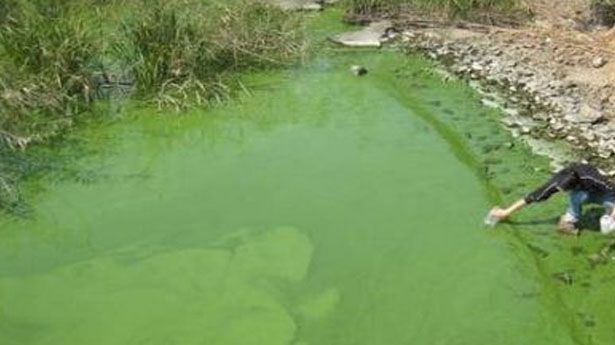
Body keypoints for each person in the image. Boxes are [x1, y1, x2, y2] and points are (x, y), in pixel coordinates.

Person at [489, 163, 615, 235]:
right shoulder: (558, 181)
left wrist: (613, 214)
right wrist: (506, 212)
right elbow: (533, 196)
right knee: (576, 196)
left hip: (605, 192)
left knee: (609, 207)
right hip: (582, 192)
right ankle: (571, 217)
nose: (563, 192)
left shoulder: (594, 179)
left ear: (576, 183)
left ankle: (609, 210)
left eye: (566, 189)